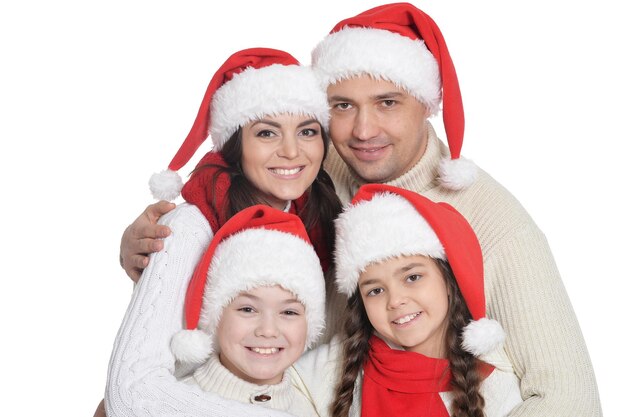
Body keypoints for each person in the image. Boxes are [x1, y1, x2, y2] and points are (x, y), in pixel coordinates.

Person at [119, 3, 602, 416]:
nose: (363, 130)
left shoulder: (495, 221)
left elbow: (569, 399)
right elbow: (234, 175)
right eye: (342, 106)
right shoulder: (310, 161)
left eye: (387, 102)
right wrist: (159, 245)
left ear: (425, 102)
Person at [103, 47, 342, 417]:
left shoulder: (319, 217)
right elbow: (133, 391)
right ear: (236, 144)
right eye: (267, 132)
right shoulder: (189, 228)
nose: (292, 151)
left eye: (308, 131)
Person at [292, 183, 523, 417]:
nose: (395, 300)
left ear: (449, 282)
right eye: (375, 290)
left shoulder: (495, 386)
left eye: (412, 277)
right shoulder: (332, 367)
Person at [171, 205, 326, 415]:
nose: (268, 330)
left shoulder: (311, 410)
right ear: (215, 315)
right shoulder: (170, 403)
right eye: (247, 309)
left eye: (289, 312)